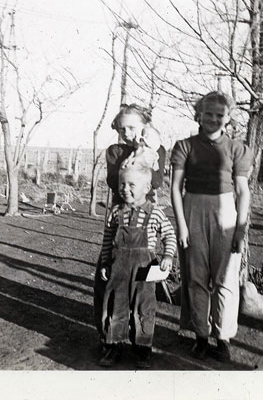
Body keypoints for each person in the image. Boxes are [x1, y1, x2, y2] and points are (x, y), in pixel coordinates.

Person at [170, 91, 253, 362]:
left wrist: (240, 230)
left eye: (220, 115)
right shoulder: (185, 146)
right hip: (193, 209)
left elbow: (243, 192)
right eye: (208, 114)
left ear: (228, 118)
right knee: (195, 277)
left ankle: (223, 338)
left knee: (225, 279)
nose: (213, 119)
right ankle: (201, 336)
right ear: (199, 114)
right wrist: (181, 225)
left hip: (226, 212)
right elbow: (175, 188)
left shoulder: (237, 149)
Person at [94, 104, 166, 354]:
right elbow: (116, 180)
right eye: (122, 128)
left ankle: (142, 342)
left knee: (145, 291)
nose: (127, 132)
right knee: (110, 285)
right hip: (120, 219)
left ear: (145, 126)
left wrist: (148, 150)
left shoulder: (158, 150)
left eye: (133, 127)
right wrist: (139, 153)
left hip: (147, 221)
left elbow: (156, 181)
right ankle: (110, 340)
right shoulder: (114, 151)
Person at [97, 164, 177, 368]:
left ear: (147, 187)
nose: (125, 188)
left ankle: (142, 348)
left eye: (131, 184)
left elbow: (169, 235)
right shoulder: (116, 212)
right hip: (118, 269)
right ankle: (113, 346)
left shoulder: (156, 213)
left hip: (144, 270)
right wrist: (105, 262)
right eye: (122, 184)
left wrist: (168, 256)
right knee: (116, 306)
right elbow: (107, 239)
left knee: (144, 308)